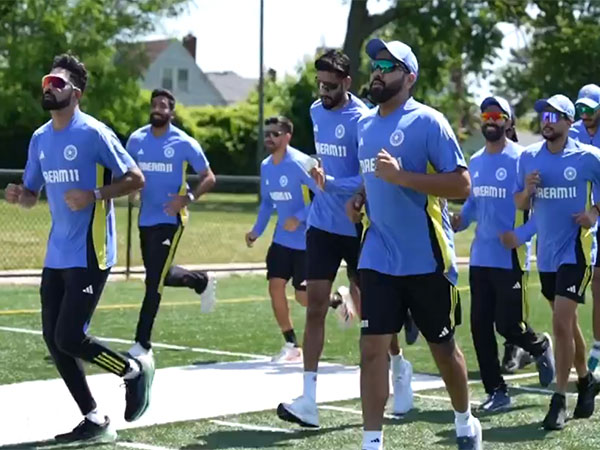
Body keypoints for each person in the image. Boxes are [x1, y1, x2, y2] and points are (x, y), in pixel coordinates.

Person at [4, 54, 152, 443]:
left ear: (76, 93)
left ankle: (132, 370)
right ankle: (94, 419)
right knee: (54, 339)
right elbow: (32, 195)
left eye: (58, 82)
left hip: (92, 249)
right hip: (57, 253)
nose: (49, 87)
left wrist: (95, 194)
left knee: (69, 336)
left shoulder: (94, 133)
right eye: (46, 82)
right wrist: (19, 194)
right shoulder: (39, 138)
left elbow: (136, 178)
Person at [349, 39, 481, 450]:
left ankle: (464, 421)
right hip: (378, 255)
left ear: (409, 77)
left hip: (427, 258)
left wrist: (402, 177)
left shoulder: (429, 122)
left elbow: (461, 184)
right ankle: (373, 442)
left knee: (443, 351)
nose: (377, 71)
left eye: (388, 66)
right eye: (375, 64)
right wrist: (361, 197)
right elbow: (372, 179)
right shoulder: (364, 125)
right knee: (372, 350)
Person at [277, 50, 413, 429]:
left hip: (357, 226)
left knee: (372, 310)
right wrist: (313, 175)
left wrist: (336, 185)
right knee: (315, 303)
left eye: (331, 86)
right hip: (322, 223)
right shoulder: (315, 111)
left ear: (348, 83)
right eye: (320, 84)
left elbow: (371, 176)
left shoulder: (366, 120)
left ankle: (399, 366)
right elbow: (325, 163)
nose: (324, 92)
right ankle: (308, 399)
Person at [452, 96, 554, 412]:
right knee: (479, 327)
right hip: (481, 258)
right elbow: (472, 205)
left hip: (509, 259)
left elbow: (543, 211)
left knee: (507, 326)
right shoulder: (477, 161)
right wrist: (460, 220)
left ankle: (540, 346)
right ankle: (497, 391)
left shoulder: (523, 159)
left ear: (508, 123)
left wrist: (520, 236)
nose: (490, 120)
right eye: (486, 115)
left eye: (497, 115)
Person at [514, 94, 600, 430]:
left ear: (568, 122)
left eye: (554, 116)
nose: (547, 122)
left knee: (562, 323)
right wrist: (527, 189)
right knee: (567, 324)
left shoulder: (587, 157)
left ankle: (559, 398)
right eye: (544, 116)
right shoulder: (529, 158)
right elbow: (520, 201)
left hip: (576, 251)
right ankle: (586, 378)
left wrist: (594, 212)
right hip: (546, 254)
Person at [125, 89, 217, 361]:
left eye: (163, 106)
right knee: (158, 273)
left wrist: (186, 198)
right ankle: (201, 280)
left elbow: (209, 177)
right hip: (145, 218)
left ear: (171, 113)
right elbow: (128, 171)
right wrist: (131, 189)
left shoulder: (183, 142)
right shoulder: (136, 139)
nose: (157, 109)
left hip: (171, 219)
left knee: (153, 281)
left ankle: (142, 344)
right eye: (154, 105)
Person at [246, 116, 318, 362]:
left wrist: (300, 217)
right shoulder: (266, 166)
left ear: (287, 136)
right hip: (281, 241)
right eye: (267, 133)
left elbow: (324, 196)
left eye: (275, 133)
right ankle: (291, 344)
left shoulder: (304, 163)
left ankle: (336, 301)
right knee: (275, 286)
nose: (269, 138)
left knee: (302, 296)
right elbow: (267, 203)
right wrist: (256, 231)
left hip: (307, 241)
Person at [569, 84, 600, 371]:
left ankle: (598, 349)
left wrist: (595, 210)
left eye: (590, 108)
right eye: (580, 108)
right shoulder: (573, 132)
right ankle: (577, 350)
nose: (584, 114)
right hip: (578, 223)